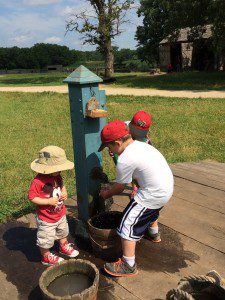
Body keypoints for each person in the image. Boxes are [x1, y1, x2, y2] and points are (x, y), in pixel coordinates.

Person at [98, 120, 174, 277]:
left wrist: (105, 194)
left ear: (118, 142)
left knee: (127, 224)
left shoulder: (125, 159)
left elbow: (119, 187)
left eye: (109, 147)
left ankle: (128, 264)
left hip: (153, 193)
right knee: (149, 212)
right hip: (166, 188)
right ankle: (153, 233)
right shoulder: (142, 145)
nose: (110, 151)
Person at [28, 145, 79, 266]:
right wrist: (48, 201)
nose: (60, 170)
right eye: (58, 168)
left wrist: (64, 192)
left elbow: (61, 185)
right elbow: (32, 197)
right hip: (46, 218)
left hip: (60, 213)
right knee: (45, 239)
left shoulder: (57, 176)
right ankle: (46, 256)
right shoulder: (38, 181)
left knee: (63, 232)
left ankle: (63, 246)